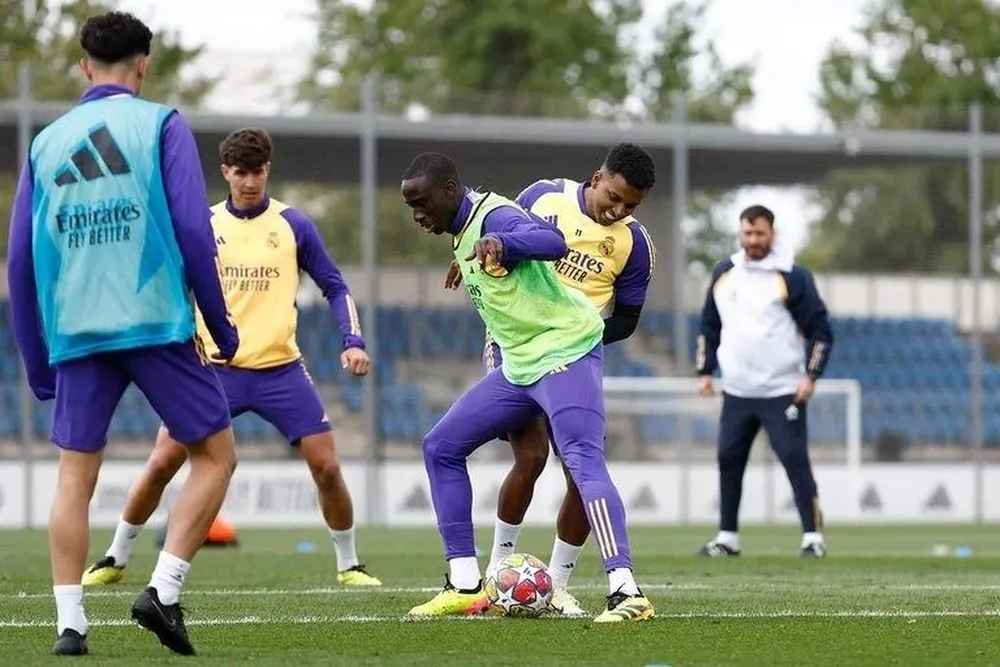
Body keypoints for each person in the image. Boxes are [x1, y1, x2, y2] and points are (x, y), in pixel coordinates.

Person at [7, 11, 240, 657]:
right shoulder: (160, 124)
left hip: (77, 327)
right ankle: (162, 590)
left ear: (85, 67)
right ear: (143, 64)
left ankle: (70, 624)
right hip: (153, 318)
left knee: (74, 477)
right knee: (216, 455)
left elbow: (20, 260)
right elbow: (196, 231)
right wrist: (220, 324)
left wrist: (35, 358)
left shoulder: (46, 142)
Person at [82, 127, 382, 589]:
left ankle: (349, 564)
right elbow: (170, 290)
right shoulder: (203, 224)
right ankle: (115, 556)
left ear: (268, 170)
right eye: (240, 172)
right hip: (213, 372)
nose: (249, 181)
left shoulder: (294, 226)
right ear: (225, 172)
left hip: (280, 369)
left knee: (326, 465)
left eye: (257, 171)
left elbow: (335, 286)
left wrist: (352, 340)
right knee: (163, 463)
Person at [400, 152, 654, 623]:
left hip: (565, 353)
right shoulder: (466, 229)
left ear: (450, 191)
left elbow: (551, 240)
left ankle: (626, 590)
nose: (417, 214)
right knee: (441, 446)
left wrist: (502, 242)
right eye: (410, 204)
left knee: (581, 460)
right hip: (519, 364)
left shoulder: (492, 214)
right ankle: (464, 584)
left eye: (422, 203)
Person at [695, 204, 834, 558]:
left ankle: (812, 538)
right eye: (747, 233)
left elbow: (820, 330)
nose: (753, 240)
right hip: (738, 390)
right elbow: (709, 324)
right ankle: (727, 537)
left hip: (782, 389)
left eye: (759, 233)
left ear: (772, 234)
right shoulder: (724, 272)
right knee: (729, 458)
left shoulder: (791, 275)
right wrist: (705, 370)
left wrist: (811, 376)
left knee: (793, 458)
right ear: (740, 233)